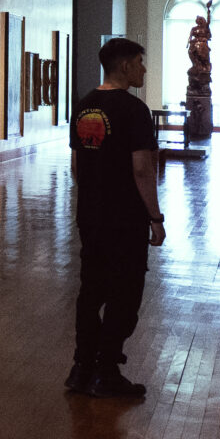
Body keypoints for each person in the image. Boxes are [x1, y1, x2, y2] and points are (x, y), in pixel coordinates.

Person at [68, 37, 166, 398]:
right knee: (124, 295)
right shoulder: (134, 110)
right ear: (125, 66)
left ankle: (82, 367)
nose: (144, 69)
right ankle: (106, 372)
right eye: (140, 62)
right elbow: (142, 169)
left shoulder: (84, 106)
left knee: (91, 291)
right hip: (125, 219)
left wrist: (93, 197)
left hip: (91, 216)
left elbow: (76, 165)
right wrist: (155, 216)